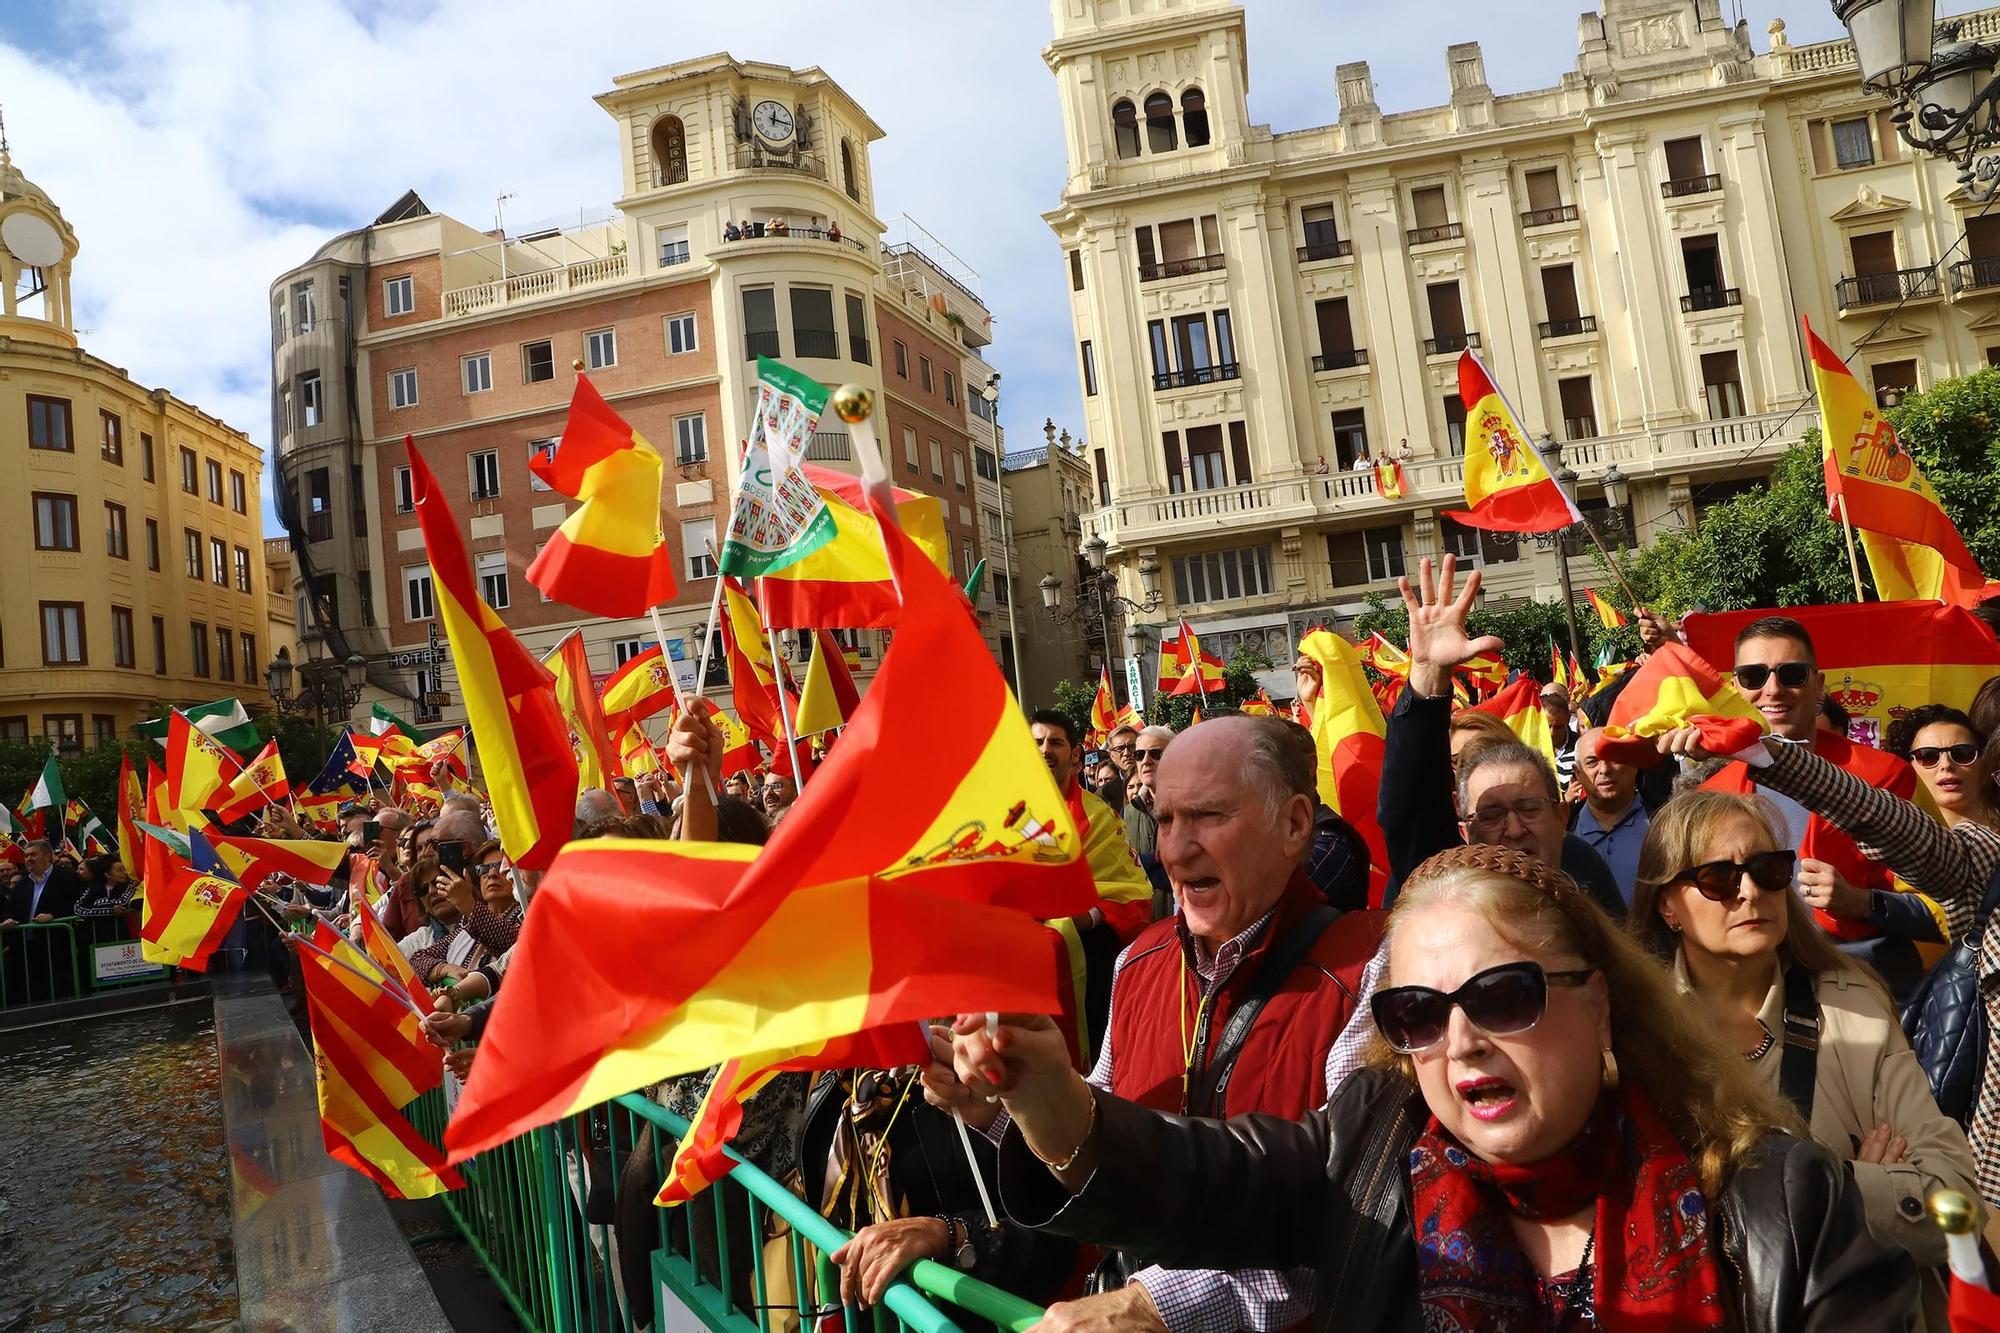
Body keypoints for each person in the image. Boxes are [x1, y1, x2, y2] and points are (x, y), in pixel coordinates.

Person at [962, 842, 1920, 1330]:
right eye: (1417, 1011)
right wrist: (1047, 1094)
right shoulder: (1375, 1138)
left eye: (1502, 995)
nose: (1459, 1041)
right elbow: (1205, 1176)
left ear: (1600, 1007)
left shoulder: (1785, 1204)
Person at [925, 713, 1385, 1332]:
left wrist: (1156, 1306)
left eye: (1209, 816)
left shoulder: (1371, 969)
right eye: (1166, 819)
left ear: (1296, 824)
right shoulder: (1138, 960)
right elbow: (1102, 1135)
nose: (1174, 847)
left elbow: (1354, 1214)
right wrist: (1007, 1103)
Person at [1629, 788, 1980, 1323]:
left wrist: (1759, 1197)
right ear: (1667, 904)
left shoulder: (1854, 1003)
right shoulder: (1633, 1034)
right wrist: (1842, 1185)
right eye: (1718, 878)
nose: (1748, 892)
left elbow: (1956, 1203)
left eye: (1768, 869)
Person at [1705, 616, 1944, 1002]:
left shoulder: (1887, 776)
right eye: (1753, 677)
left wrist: (1862, 903)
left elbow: (1950, 903)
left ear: (1818, 684)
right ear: (1736, 687)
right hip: (1758, 1002)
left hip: (1874, 996)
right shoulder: (1713, 796)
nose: (1773, 689)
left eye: (1792, 674)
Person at [1378, 556, 1625, 913]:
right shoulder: (1445, 875)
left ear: (1560, 817)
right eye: (1490, 813)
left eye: (1528, 807)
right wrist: (1429, 675)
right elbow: (1408, 809)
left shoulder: (1581, 867)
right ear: (1465, 828)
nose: (1513, 829)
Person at [1029, 708, 1152, 1064]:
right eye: (1037, 742)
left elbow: (1132, 893)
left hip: (1083, 970)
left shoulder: (1098, 817)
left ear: (1075, 755)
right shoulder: (996, 812)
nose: (1045, 749)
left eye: (1055, 742)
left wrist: (1081, 918)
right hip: (1012, 967)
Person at [1884, 705, 2000, 834]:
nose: (1946, 764)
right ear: (1908, 765)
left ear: (1984, 759)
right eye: (1928, 756)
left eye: (1962, 753)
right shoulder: (1896, 836)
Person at [1571, 727, 1649, 906]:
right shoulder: (1560, 828)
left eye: (1613, 758)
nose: (1604, 769)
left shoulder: (1665, 823)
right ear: (1578, 774)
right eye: (1592, 762)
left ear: (1634, 763)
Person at [1122, 724, 1174, 915]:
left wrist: (1143, 864)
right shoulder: (1128, 813)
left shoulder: (1193, 807)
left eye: (1155, 754)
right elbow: (1123, 870)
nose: (1146, 761)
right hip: (1147, 924)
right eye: (1139, 755)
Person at [1543, 682, 1580, 795]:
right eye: (1548, 726)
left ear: (1568, 719)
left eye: (1558, 727)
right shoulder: (1531, 746)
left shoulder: (1580, 748)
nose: (1552, 732)